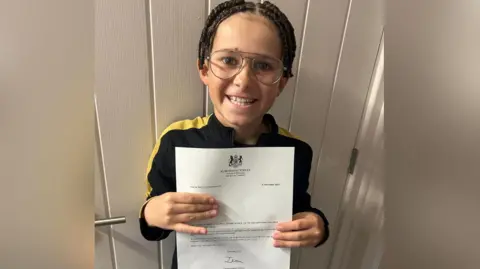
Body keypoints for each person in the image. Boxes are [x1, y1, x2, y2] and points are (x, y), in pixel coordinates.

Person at [138, 0, 329, 267]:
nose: (243, 80)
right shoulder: (177, 140)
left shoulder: (295, 150)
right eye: (228, 60)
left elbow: (297, 209)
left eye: (263, 65)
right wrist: (151, 213)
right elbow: (155, 225)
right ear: (204, 69)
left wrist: (316, 224)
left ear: (282, 82)